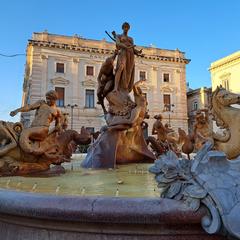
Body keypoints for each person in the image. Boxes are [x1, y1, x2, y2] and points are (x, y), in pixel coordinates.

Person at [10, 90, 62, 154]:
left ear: (54, 99)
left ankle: (32, 152)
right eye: (47, 98)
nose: (47, 100)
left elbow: (58, 126)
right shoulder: (41, 103)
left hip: (43, 129)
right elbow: (30, 107)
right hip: (33, 127)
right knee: (18, 135)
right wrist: (17, 110)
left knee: (24, 133)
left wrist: (57, 128)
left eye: (49, 99)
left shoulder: (56, 111)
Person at [113, 22, 142, 92]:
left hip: (130, 55)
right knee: (120, 68)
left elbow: (132, 48)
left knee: (129, 71)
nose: (126, 29)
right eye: (125, 27)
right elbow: (118, 44)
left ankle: (125, 87)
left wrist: (138, 52)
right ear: (122, 28)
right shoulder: (119, 36)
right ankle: (116, 87)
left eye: (127, 27)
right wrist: (125, 46)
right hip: (123, 53)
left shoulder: (131, 38)